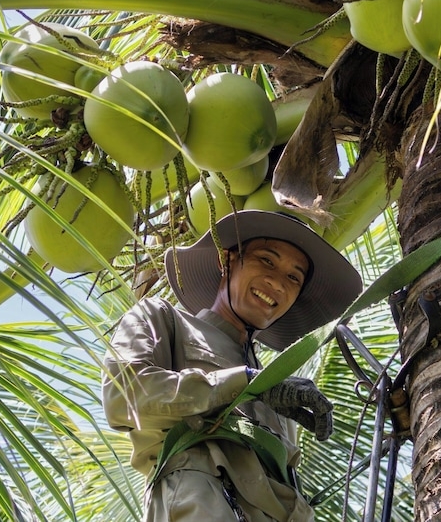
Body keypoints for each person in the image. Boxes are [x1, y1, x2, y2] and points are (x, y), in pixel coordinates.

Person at [102, 210, 363, 521]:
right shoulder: (162, 318)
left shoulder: (279, 393)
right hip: (199, 503)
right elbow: (123, 397)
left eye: (294, 278)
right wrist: (247, 383)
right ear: (226, 260)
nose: (277, 283)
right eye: (267, 260)